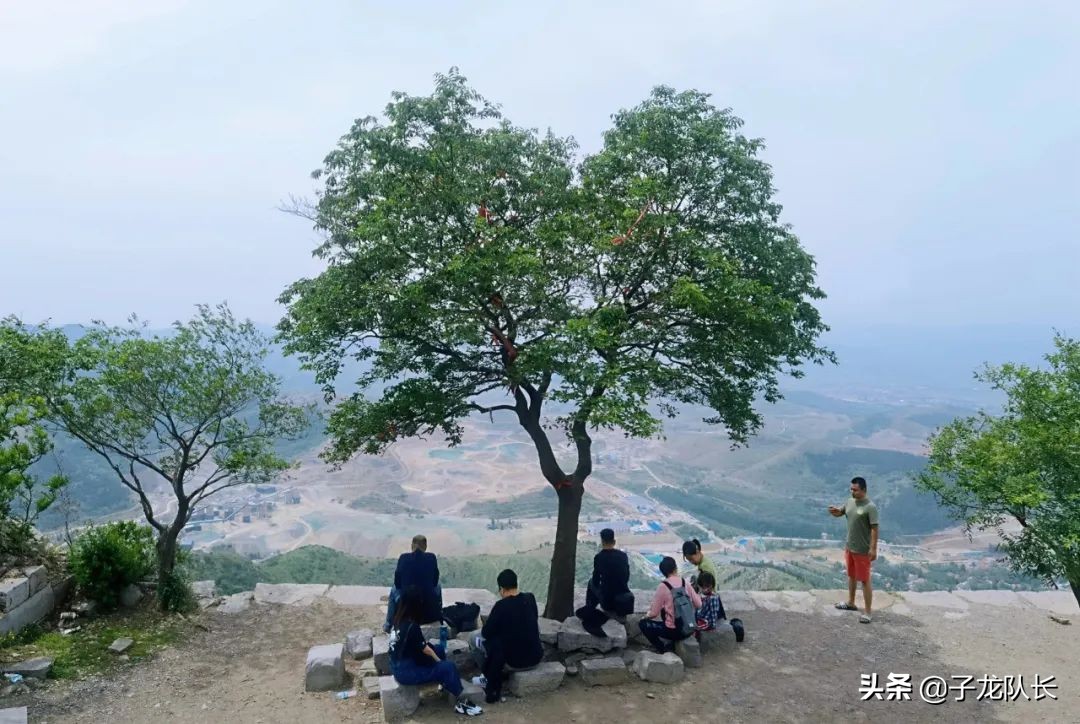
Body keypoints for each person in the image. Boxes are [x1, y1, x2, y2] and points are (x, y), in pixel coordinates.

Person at [389, 586, 483, 717]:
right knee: (448, 666)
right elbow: (426, 650)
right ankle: (460, 701)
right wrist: (439, 662)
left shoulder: (398, 620)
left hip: (398, 665)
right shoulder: (412, 626)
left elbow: (418, 646)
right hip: (406, 672)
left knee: (438, 649)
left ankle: (446, 682)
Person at [470, 569, 543, 704]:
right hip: (536, 657)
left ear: (502, 589)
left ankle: (487, 676)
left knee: (474, 638)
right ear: (516, 584)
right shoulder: (530, 598)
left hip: (514, 663)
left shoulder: (501, 606)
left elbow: (486, 633)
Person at [828, 476, 880, 623]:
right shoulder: (850, 501)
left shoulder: (870, 507)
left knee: (864, 580)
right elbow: (841, 512)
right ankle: (851, 603)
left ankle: (868, 612)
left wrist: (873, 549)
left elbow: (875, 529)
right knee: (851, 576)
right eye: (851, 489)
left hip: (862, 550)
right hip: (850, 547)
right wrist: (835, 511)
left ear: (864, 489)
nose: (852, 492)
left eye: (855, 490)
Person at [638, 556, 701, 653]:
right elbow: (699, 604)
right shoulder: (685, 583)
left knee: (643, 624)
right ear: (675, 568)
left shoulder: (663, 586)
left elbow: (654, 613)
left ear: (663, 572)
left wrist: (645, 616)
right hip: (689, 629)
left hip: (674, 632)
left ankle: (661, 648)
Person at [384, 534, 442, 633]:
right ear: (425, 546)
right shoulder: (432, 558)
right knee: (438, 586)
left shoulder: (403, 558)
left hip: (407, 611)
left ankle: (388, 625)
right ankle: (440, 616)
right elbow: (434, 581)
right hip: (428, 612)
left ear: (412, 546)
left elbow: (397, 583)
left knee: (394, 589)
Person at [586, 528, 634, 615]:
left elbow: (596, 580)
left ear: (602, 542)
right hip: (623, 598)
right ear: (614, 541)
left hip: (608, 603)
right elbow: (626, 576)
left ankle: (589, 609)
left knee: (591, 583)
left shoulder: (599, 557)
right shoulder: (623, 556)